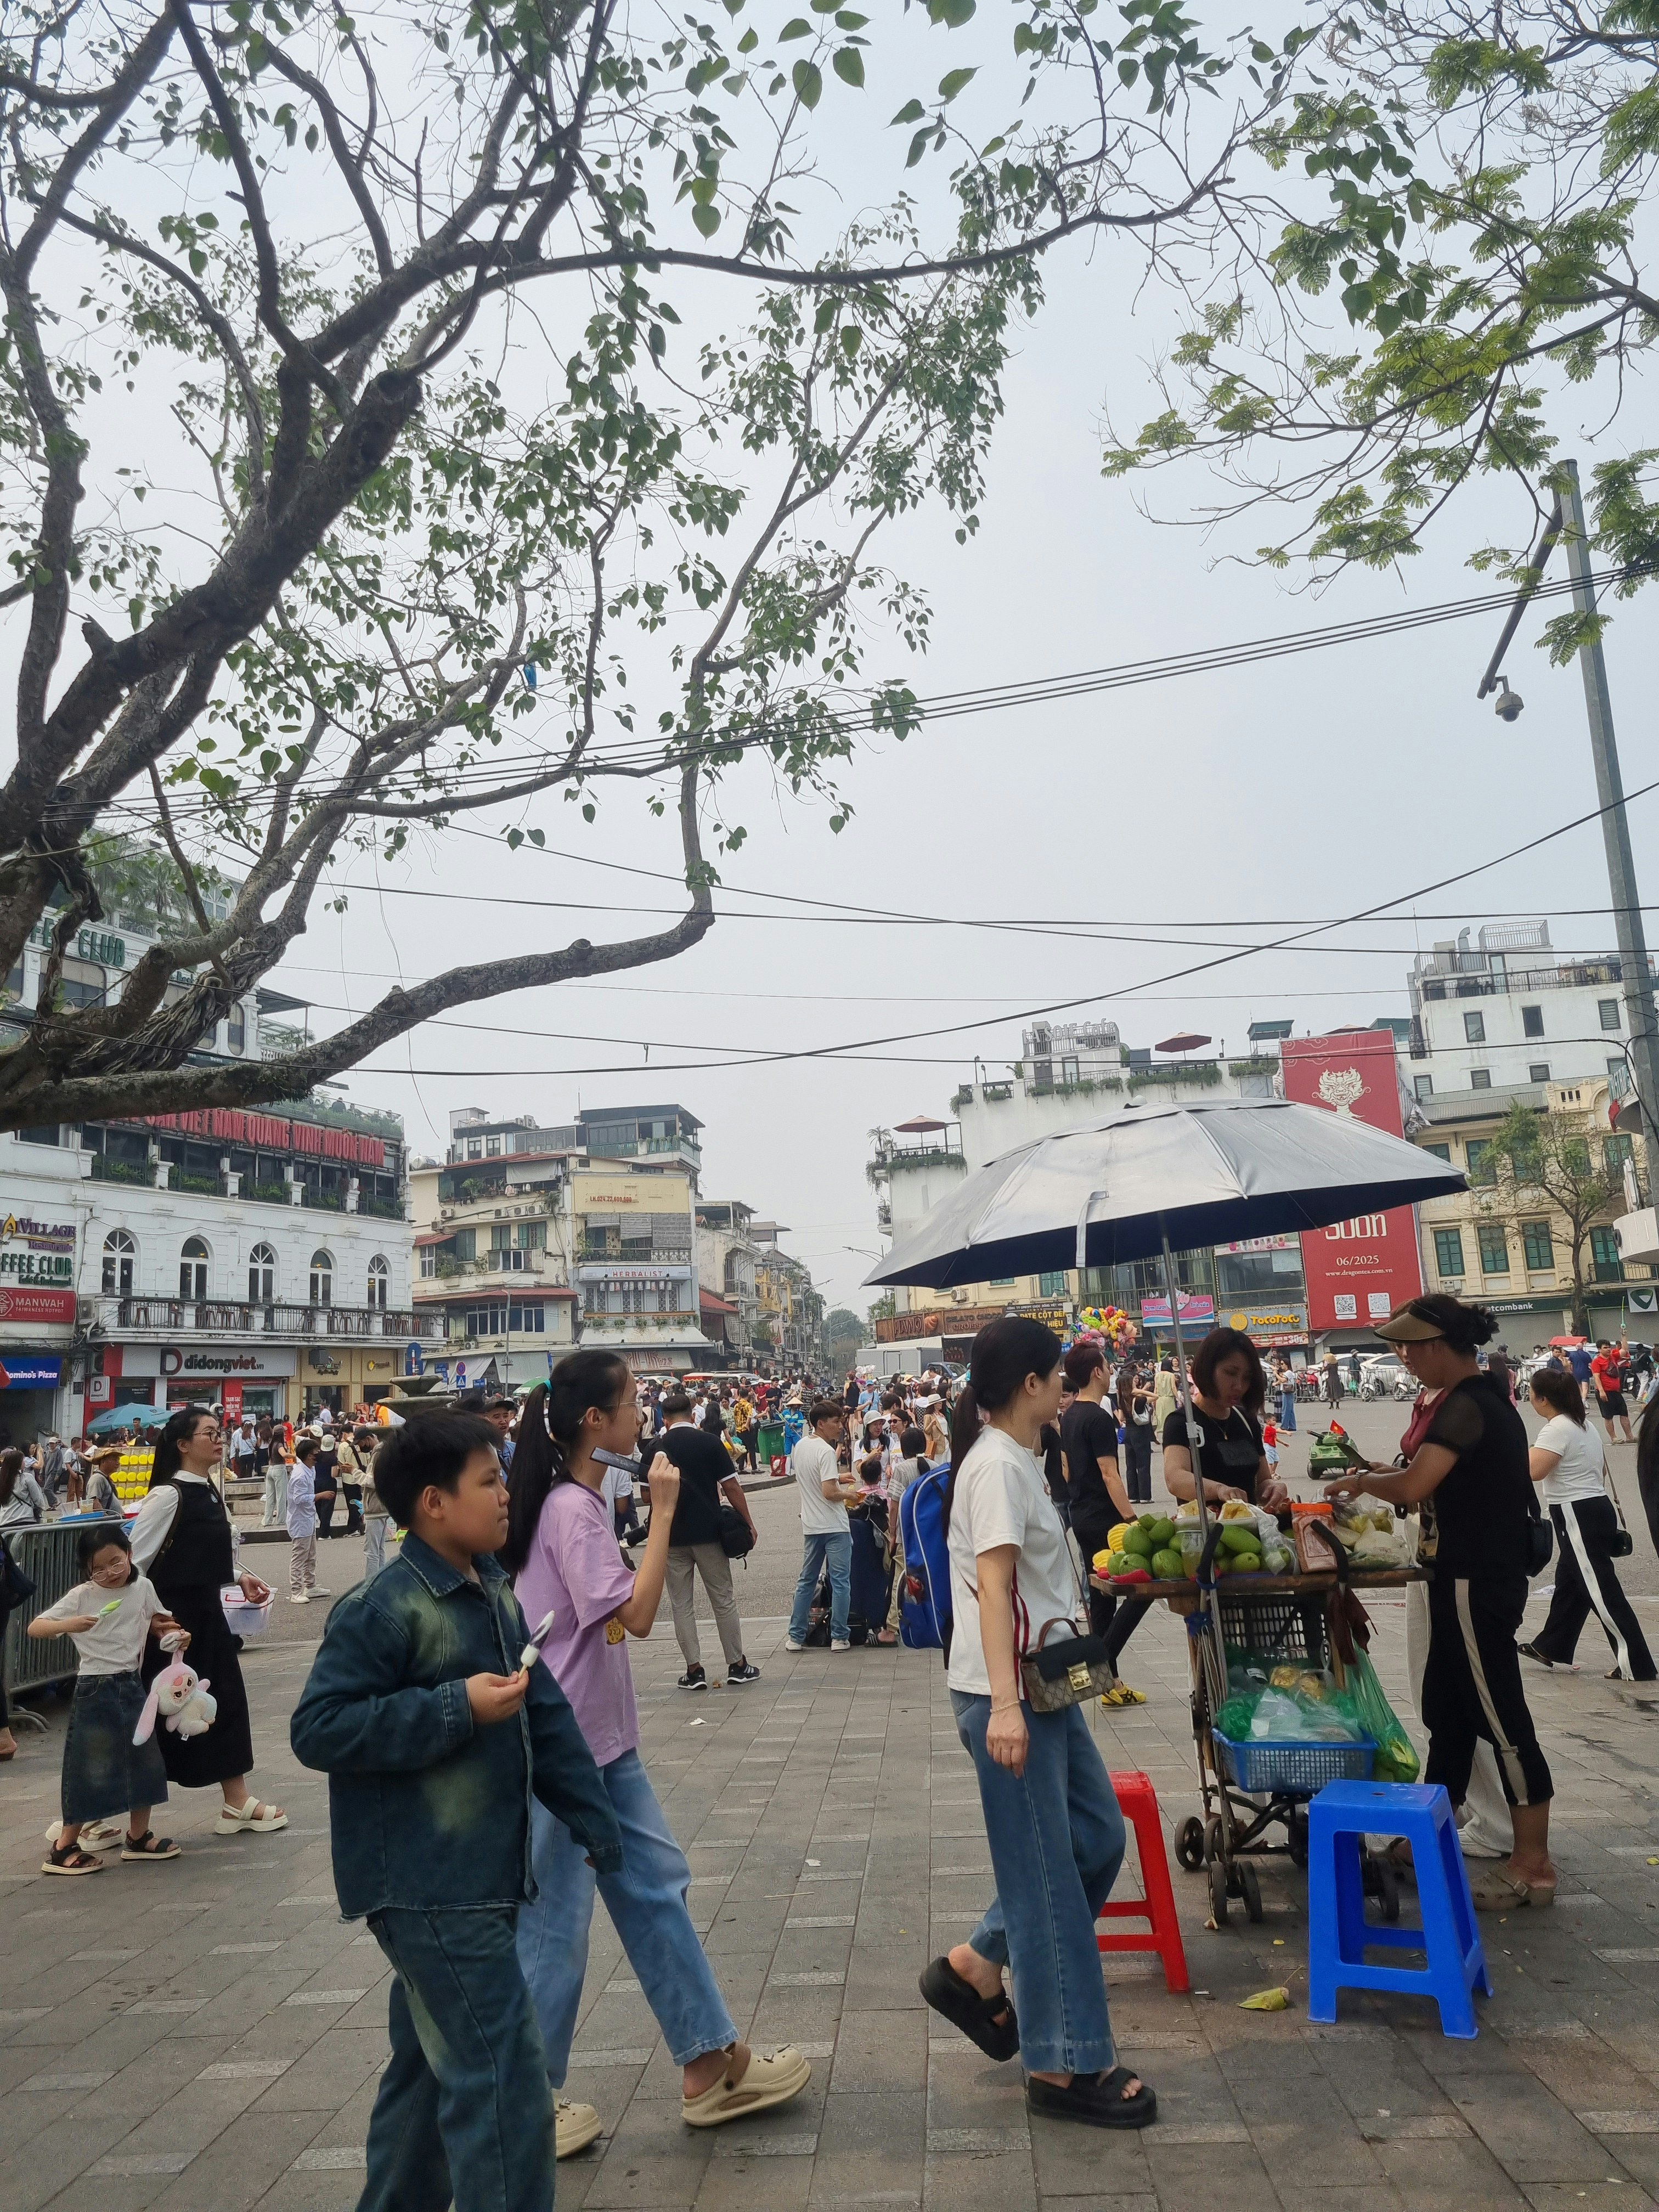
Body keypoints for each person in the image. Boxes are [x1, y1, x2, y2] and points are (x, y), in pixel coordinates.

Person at [292, 1412, 624, 2212]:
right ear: (434, 1503)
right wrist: (454, 1707)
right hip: (423, 1884)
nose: (508, 1494)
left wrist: (598, 1824)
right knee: (505, 2076)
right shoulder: (383, 1606)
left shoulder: (493, 1590)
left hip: (479, 1877)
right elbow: (318, 1728)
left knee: (427, 2072)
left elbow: (544, 1712)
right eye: (490, 1481)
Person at [504, 1361, 809, 2157]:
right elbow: (637, 1615)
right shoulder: (570, 1509)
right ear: (598, 1421)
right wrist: (667, 1509)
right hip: (567, 1749)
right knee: (554, 1927)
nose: (643, 1415)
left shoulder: (578, 1498)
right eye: (634, 1402)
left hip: (599, 1744)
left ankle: (711, 2062)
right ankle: (519, 2099)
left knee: (655, 1890)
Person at [919, 1317, 1155, 2131]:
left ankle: (978, 1962)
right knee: (1049, 1881)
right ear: (1030, 1385)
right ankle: (1062, 2063)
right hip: (1008, 1698)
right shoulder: (995, 1470)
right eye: (1058, 1374)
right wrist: (1007, 1709)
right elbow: (991, 1588)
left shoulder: (1019, 1461)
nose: (1067, 1385)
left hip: (1044, 1693)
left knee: (1094, 1840)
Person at [1324, 1295, 1556, 1909]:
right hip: (1457, 1574)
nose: (1404, 1358)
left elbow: (1413, 1484)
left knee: (1500, 1715)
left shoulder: (1469, 1404)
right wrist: (1383, 1473)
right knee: (1449, 1709)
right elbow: (1429, 1480)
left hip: (1476, 1580)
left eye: (1409, 1347)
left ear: (1437, 1345)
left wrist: (1362, 1481)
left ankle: (1533, 1862)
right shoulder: (1472, 1403)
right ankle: (1428, 1834)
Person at [130, 1408, 285, 1836]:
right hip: (170, 1629)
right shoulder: (168, 1495)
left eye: (221, 1433)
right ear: (182, 1445)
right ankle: (87, 1817)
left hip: (207, 1620)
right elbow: (135, 1566)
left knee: (223, 1705)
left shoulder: (209, 1489)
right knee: (152, 1718)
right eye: (210, 1434)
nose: (220, 1440)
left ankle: (236, 1802)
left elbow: (202, 1554)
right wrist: (155, 1619)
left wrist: (240, 1576)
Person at [29, 1523, 185, 1874]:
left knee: (144, 1758)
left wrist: (173, 1632)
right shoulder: (83, 1595)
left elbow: (158, 1621)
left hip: (131, 1683)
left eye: (116, 1563)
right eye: (98, 1569)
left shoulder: (143, 1587)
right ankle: (64, 1846)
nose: (109, 1574)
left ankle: (139, 1835)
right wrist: (68, 1624)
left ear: (129, 1554)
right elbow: (35, 1627)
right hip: (94, 1687)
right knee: (90, 1766)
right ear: (87, 1571)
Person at [1520, 1365, 1654, 1681]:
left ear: (1542, 1399)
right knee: (1572, 1583)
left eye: (1531, 1394)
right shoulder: (1583, 1425)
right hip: (1594, 1507)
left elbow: (1533, 1471)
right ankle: (1551, 1646)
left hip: (1575, 1513)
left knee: (1600, 1589)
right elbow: (1601, 1471)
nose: (1529, 1399)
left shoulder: (1557, 1428)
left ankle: (1637, 1664)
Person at [1057, 1343, 1146, 1707]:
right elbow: (1111, 1475)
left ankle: (1110, 1681)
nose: (1110, 1370)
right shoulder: (1098, 1417)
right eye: (1107, 1365)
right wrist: (1131, 1518)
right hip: (1106, 1519)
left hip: (1081, 1514)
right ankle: (1096, 1668)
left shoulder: (1070, 1416)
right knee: (1143, 1589)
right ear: (1097, 1372)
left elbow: (1064, 1469)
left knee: (1102, 1599)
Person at [657, 1389, 759, 1689]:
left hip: (672, 1537)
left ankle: (694, 1670)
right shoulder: (710, 1443)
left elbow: (649, 1494)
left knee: (681, 1604)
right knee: (723, 1599)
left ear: (664, 1419)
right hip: (710, 1533)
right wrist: (749, 1524)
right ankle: (737, 1665)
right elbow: (731, 1487)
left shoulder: (657, 1448)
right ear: (692, 1415)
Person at [1159, 1330, 1290, 1515]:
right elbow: (1175, 1479)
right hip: (1206, 1532)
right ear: (1207, 1368)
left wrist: (1273, 1488)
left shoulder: (1247, 1420)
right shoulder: (1181, 1422)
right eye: (1231, 1373)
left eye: (1247, 1378)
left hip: (1250, 1531)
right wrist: (1219, 1490)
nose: (1239, 1386)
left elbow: (1262, 1481)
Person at [786, 1399, 859, 1653]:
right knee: (840, 1582)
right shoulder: (827, 1451)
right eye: (836, 1422)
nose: (840, 1426)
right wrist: (851, 1495)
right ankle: (839, 1636)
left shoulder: (801, 1447)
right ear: (821, 1424)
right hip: (835, 1526)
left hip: (811, 1525)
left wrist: (837, 1477)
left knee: (806, 1581)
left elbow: (812, 1477)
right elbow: (829, 1492)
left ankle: (796, 1637)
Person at [288, 1437, 329, 1604]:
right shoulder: (300, 1475)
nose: (318, 1454)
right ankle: (296, 1591)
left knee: (311, 1555)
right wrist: (319, 1496)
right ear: (309, 1455)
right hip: (300, 1521)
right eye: (316, 1452)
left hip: (309, 1518)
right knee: (300, 1557)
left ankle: (310, 1586)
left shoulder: (309, 1469)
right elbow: (298, 1498)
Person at [1115, 1360, 1155, 1503]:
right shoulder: (1137, 1399)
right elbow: (1155, 1397)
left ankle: (1132, 1496)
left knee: (1130, 1466)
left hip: (1128, 1432)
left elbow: (1121, 1418)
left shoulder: (1122, 1400)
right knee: (1143, 1464)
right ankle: (1145, 1496)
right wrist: (1141, 1390)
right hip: (1140, 1432)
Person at [358, 1430, 392, 1583]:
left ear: (368, 1439)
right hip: (382, 1507)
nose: (360, 1447)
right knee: (379, 1549)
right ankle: (381, 1581)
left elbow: (371, 1482)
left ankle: (371, 1584)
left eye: (361, 1443)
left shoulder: (377, 1454)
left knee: (372, 1551)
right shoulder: (383, 1451)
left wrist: (353, 1472)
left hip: (375, 1508)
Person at [1590, 1340, 1635, 1446]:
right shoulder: (1597, 1361)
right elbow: (1596, 1377)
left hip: (1616, 1392)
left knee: (1624, 1413)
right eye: (1605, 1348)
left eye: (1609, 1347)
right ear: (1599, 1349)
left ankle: (1630, 1436)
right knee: (1608, 1416)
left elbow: (1624, 1350)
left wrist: (1624, 1336)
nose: (1608, 1349)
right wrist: (1601, 1391)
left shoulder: (1613, 1357)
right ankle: (1614, 1438)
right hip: (1605, 1392)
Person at [0, 1446, 48, 1527]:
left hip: (5, 1521)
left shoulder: (2, 1479)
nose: (24, 1462)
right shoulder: (27, 1477)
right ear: (17, 1463)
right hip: (25, 1520)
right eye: (23, 1461)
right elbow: (38, 1500)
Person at [335, 1423, 366, 1534]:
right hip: (361, 1477)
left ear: (344, 1434)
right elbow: (367, 1459)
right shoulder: (362, 1443)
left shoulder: (343, 1446)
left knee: (352, 1503)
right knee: (359, 1502)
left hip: (348, 1479)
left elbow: (341, 1463)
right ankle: (360, 1525)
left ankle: (354, 1528)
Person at [313, 1426, 340, 1538]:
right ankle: (324, 1533)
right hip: (329, 1483)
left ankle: (323, 1529)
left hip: (317, 1483)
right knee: (327, 1509)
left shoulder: (317, 1456)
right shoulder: (333, 1458)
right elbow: (333, 1474)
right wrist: (339, 1468)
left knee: (319, 1507)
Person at [262, 1423, 290, 1530]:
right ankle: (281, 1520)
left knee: (270, 1497)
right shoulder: (279, 1445)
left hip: (271, 1470)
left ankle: (267, 1520)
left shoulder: (271, 1444)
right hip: (279, 1470)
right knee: (281, 1497)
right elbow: (284, 1455)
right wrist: (295, 1456)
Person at [1272, 1353, 1297, 1433]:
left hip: (1287, 1392)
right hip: (1288, 1392)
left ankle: (1284, 1427)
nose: (1282, 1365)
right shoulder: (1287, 1373)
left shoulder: (1289, 1372)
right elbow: (1282, 1379)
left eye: (1283, 1364)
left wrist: (1276, 1374)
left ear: (1287, 1364)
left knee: (1286, 1410)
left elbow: (1283, 1380)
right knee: (1290, 1410)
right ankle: (1292, 1426)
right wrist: (1276, 1382)